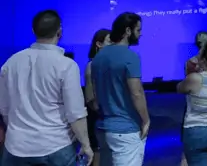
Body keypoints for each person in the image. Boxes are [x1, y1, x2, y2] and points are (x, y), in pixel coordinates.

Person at [0, 10, 93, 165]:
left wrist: (19, 133)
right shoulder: (67, 65)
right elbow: (75, 113)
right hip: (55, 147)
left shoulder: (11, 63)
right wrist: (86, 145)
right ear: (60, 32)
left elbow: (4, 109)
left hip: (15, 148)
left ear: (33, 31)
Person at [92, 12, 149, 166]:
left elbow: (96, 97)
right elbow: (136, 93)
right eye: (138, 30)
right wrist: (146, 120)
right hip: (126, 129)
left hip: (103, 128)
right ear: (128, 31)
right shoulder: (130, 57)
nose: (141, 34)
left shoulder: (98, 58)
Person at [86, 29, 112, 166]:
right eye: (110, 41)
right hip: (99, 120)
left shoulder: (114, 65)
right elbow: (91, 100)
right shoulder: (92, 66)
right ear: (99, 44)